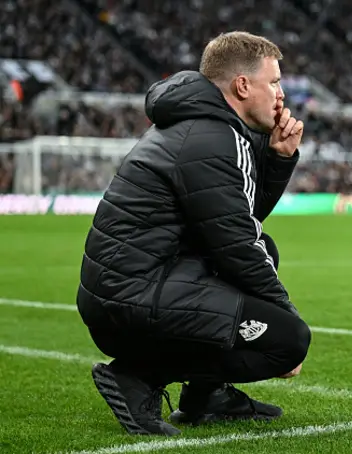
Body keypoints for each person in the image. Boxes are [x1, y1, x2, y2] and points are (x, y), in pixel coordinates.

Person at [76, 31, 311, 437]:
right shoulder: (213, 136)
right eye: (273, 82)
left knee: (264, 250)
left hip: (130, 286)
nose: (281, 95)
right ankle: (138, 377)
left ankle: (207, 395)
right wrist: (286, 316)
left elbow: (237, 219)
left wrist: (277, 158)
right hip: (132, 295)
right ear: (241, 85)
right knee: (287, 341)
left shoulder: (204, 124)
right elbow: (235, 242)